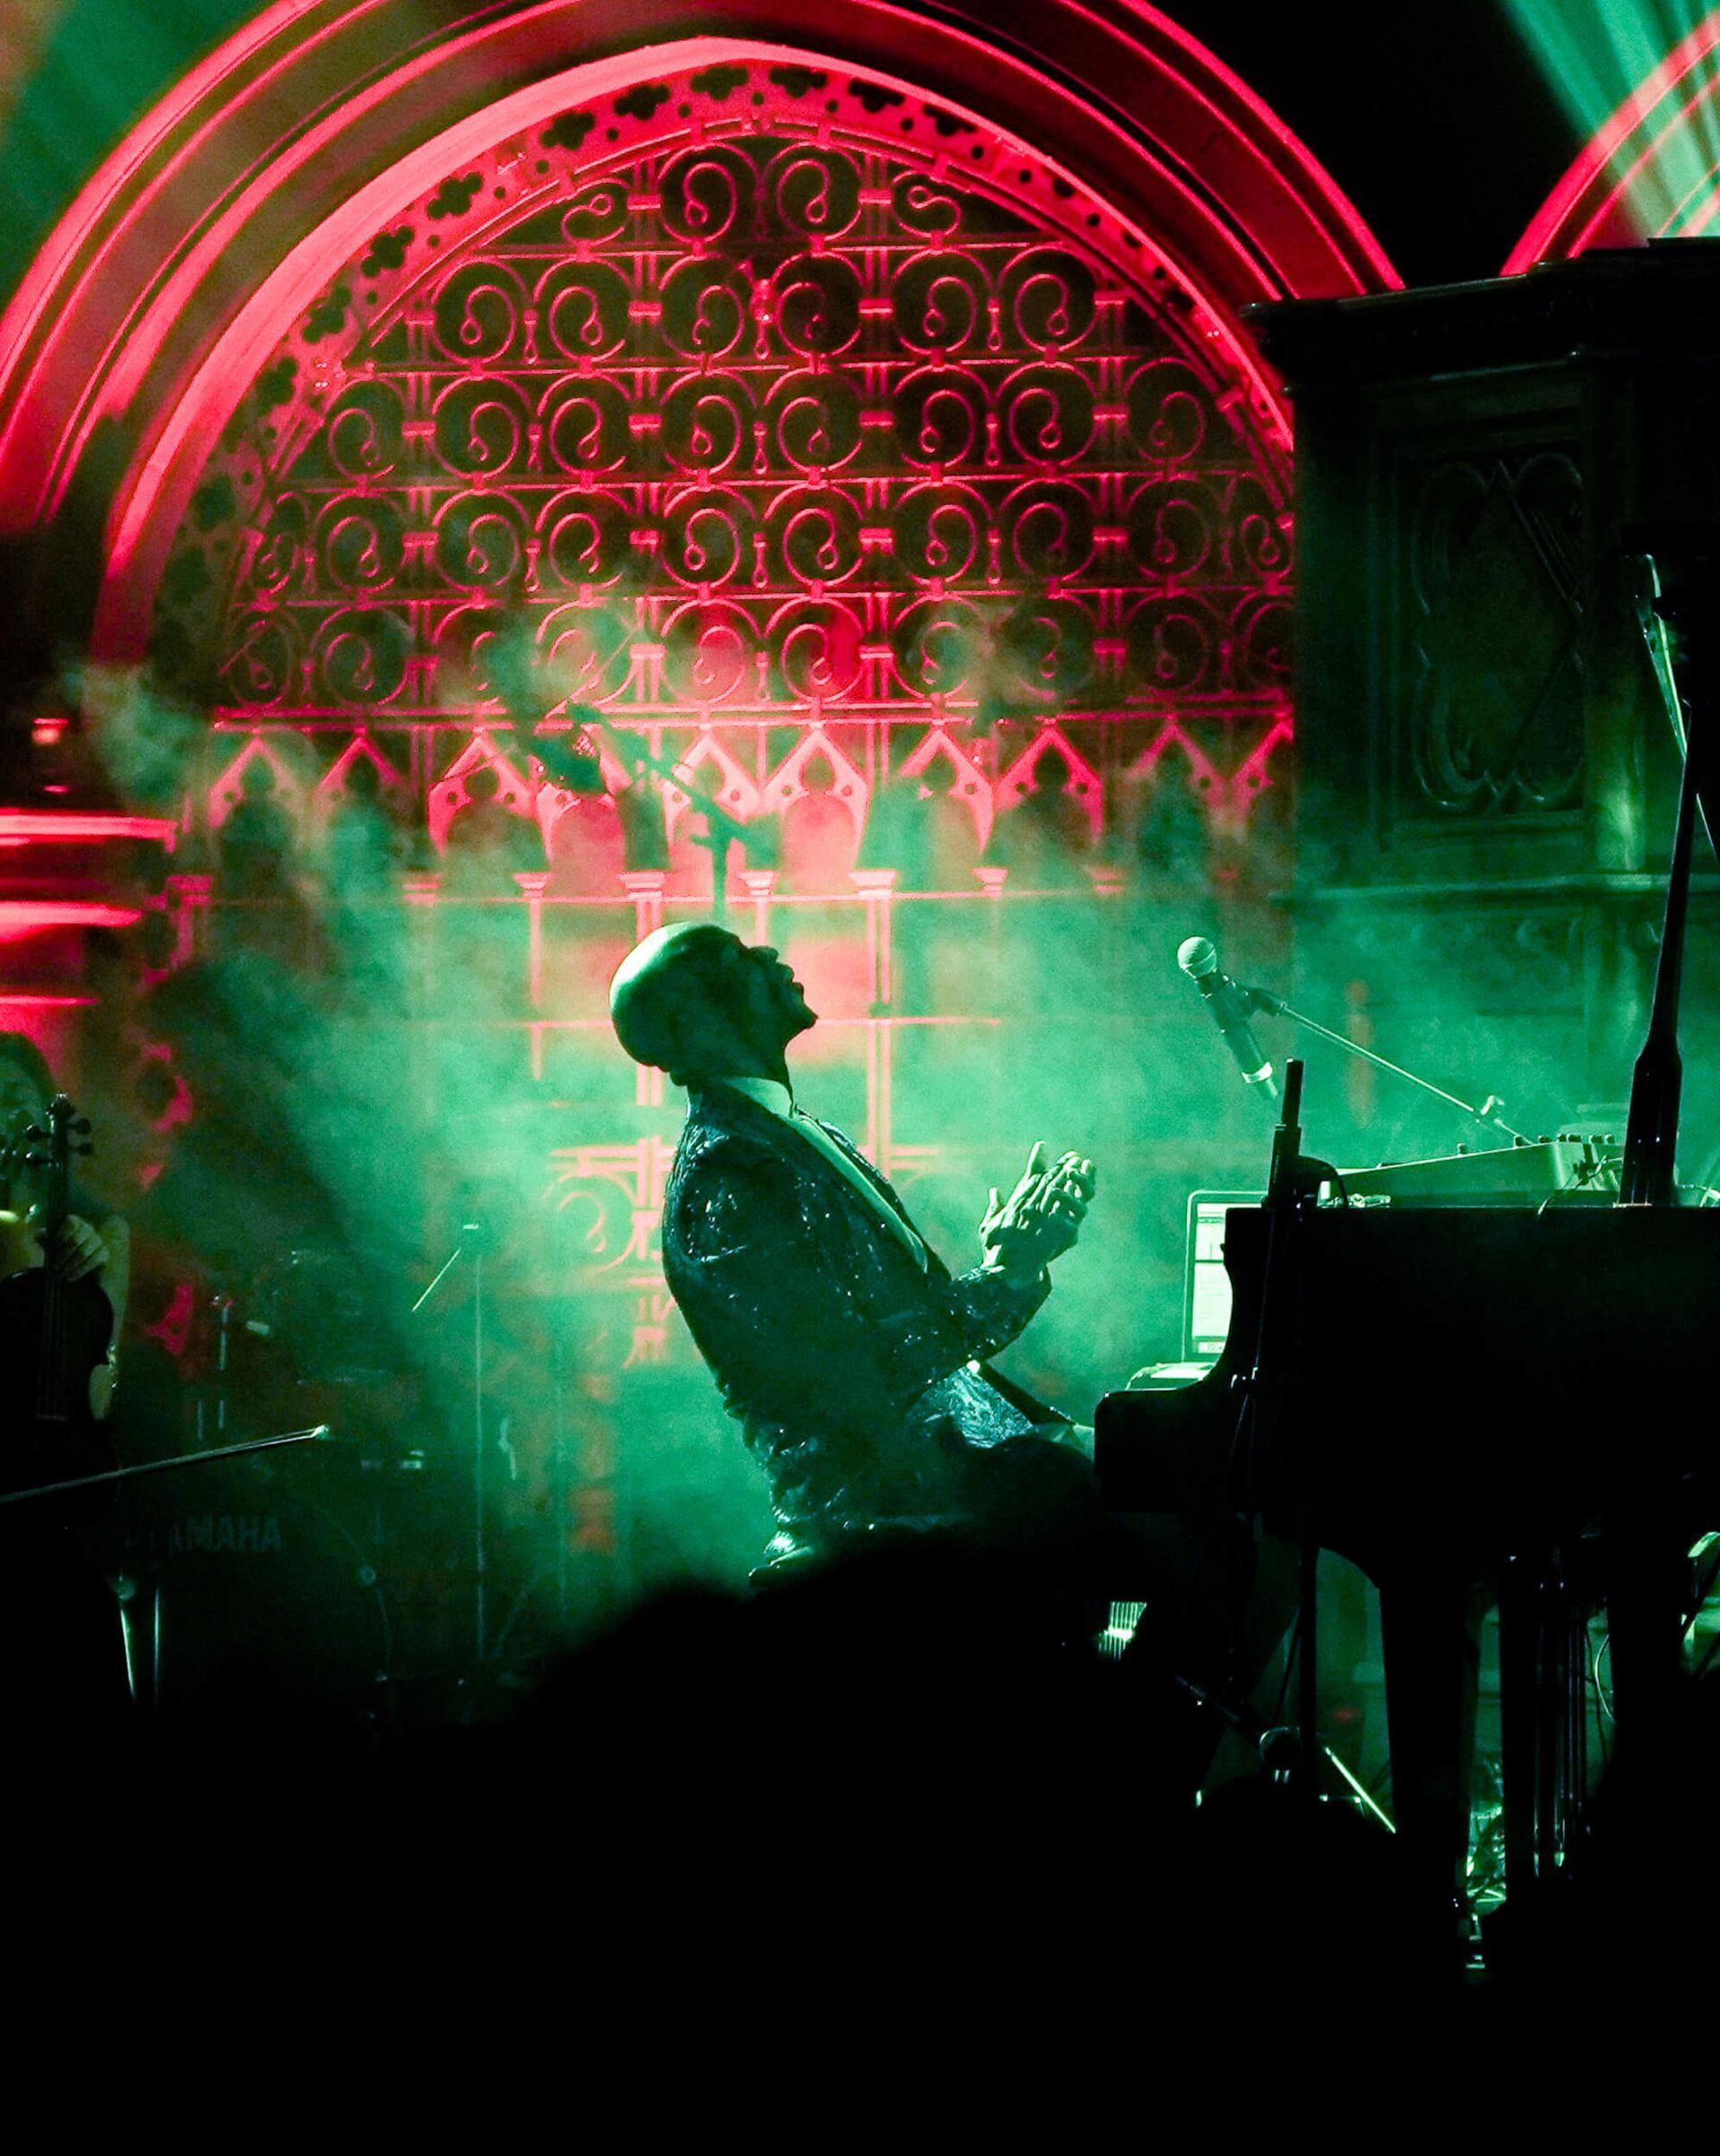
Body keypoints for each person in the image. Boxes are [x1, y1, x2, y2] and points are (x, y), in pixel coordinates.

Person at [607, 923, 1100, 1564]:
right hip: (883, 1497)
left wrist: (1011, 1266)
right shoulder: (725, 1181)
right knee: (1197, 1509)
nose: (768, 952)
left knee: (1207, 1486)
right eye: (737, 957)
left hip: (962, 1457)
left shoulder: (791, 1134)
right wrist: (1006, 1271)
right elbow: (853, 1370)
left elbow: (906, 1330)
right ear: (697, 1021)